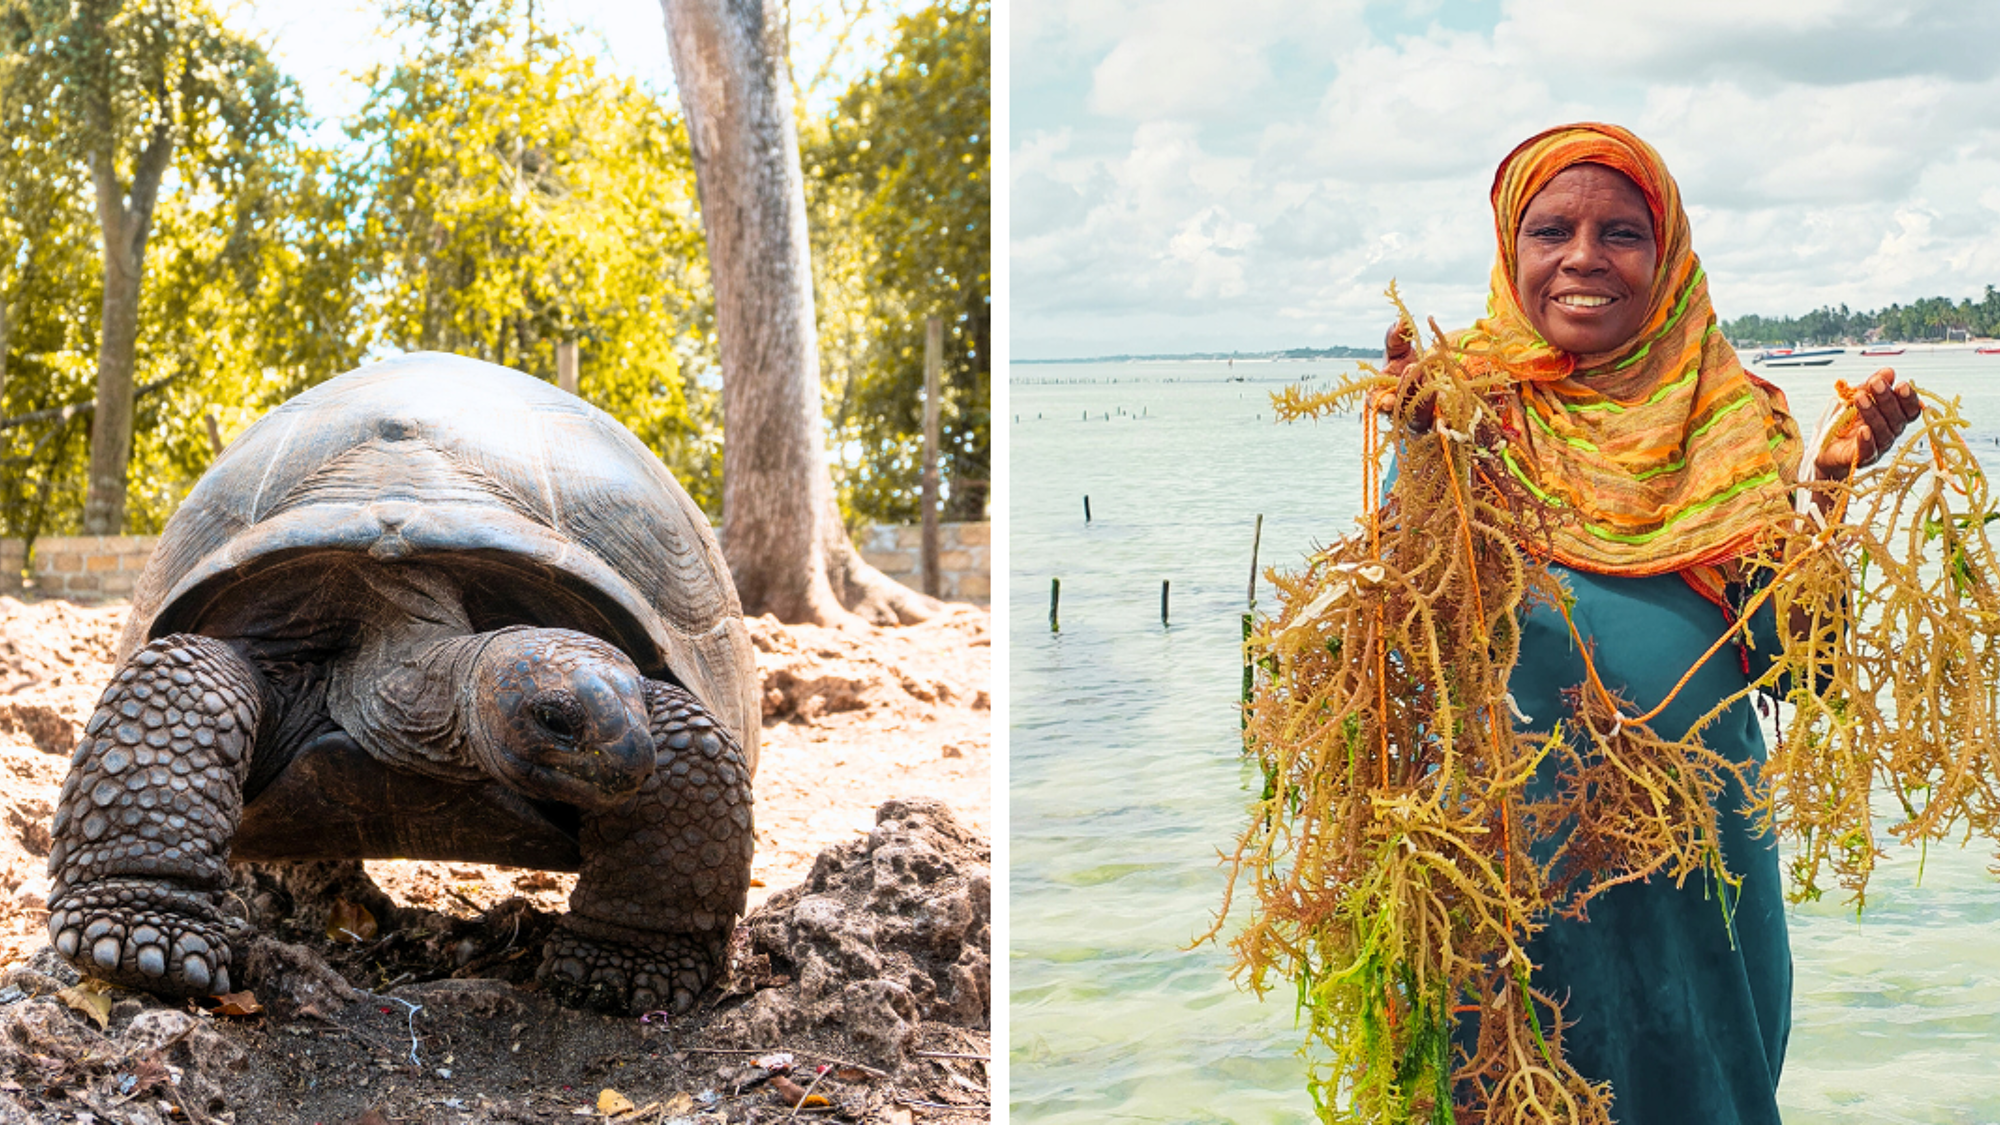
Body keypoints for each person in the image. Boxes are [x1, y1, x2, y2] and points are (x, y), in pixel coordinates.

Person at [1382, 123, 1920, 1123]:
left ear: (1665, 257)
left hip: (1699, 877)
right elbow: (1397, 653)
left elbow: (1796, 666)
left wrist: (1831, 487)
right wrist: (1425, 468)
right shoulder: (1454, 419)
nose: (1582, 257)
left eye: (1619, 231)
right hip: (1513, 882)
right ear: (1510, 252)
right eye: (1550, 230)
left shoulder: (1738, 424)